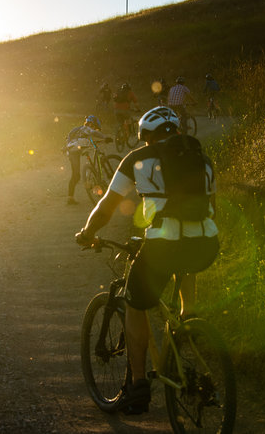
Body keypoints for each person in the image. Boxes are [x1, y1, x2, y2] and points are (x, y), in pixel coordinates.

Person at [75, 106, 219, 414]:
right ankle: (187, 324)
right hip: (206, 244)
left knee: (135, 303)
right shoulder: (202, 159)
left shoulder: (137, 159)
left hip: (165, 245)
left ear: (146, 137)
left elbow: (107, 206)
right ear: (176, 131)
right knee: (186, 260)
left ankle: (139, 385)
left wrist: (88, 231)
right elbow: (211, 207)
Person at [64, 115, 112, 205]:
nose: (94, 129)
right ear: (91, 124)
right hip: (78, 148)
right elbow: (94, 133)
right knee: (93, 154)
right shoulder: (86, 128)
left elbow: (69, 138)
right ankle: (93, 175)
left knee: (76, 175)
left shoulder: (76, 129)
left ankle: (70, 198)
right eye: (95, 127)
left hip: (72, 151)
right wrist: (105, 138)